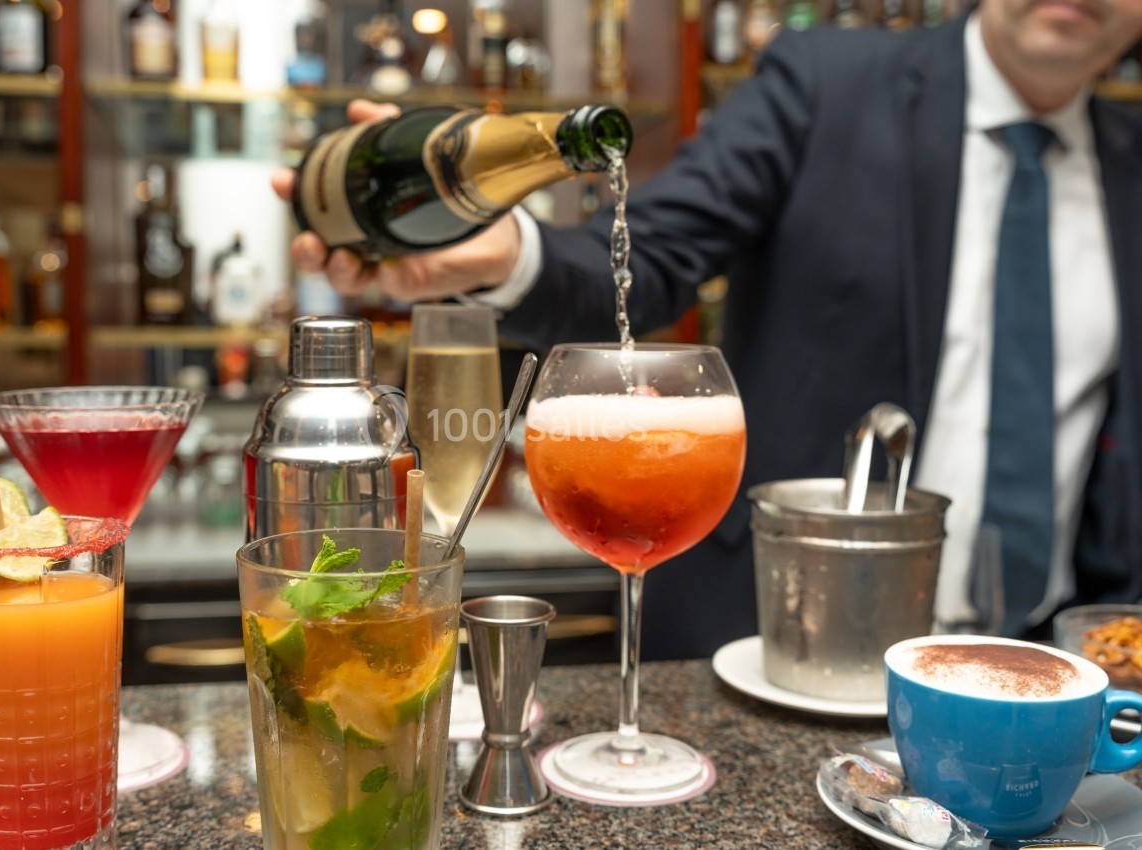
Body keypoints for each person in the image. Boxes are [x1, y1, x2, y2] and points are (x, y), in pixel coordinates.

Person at [274, 0, 1142, 660]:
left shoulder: (1130, 164)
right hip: (778, 633)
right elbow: (648, 256)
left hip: (1047, 653)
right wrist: (503, 254)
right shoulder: (826, 83)